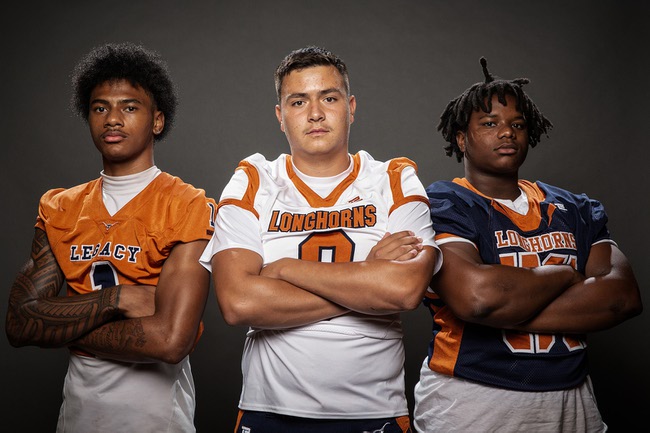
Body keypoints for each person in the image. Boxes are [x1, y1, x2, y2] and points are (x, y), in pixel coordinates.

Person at [199, 46, 440, 433]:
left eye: (329, 97)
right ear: (280, 115)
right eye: (298, 101)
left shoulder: (394, 178)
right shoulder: (255, 178)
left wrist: (283, 270)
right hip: (269, 410)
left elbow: (405, 290)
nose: (315, 113)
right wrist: (366, 277)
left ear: (351, 107)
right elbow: (238, 301)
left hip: (373, 412)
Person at [413, 57, 643, 432]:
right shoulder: (444, 203)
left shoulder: (575, 207)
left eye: (516, 124)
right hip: (473, 401)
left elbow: (622, 299)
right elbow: (478, 299)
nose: (507, 133)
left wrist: (507, 311)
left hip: (572, 399)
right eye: (489, 124)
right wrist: (565, 275)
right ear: (461, 138)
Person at [5, 42, 216, 432]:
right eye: (100, 107)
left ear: (157, 121)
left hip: (158, 422)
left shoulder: (188, 205)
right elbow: (19, 324)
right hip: (76, 418)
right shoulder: (59, 207)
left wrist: (63, 324)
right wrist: (116, 299)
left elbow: (170, 341)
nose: (112, 119)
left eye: (129, 107)